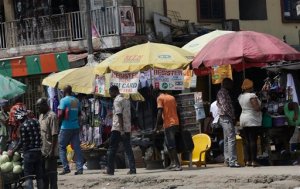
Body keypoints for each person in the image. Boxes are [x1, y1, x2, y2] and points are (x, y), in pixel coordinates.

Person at [104, 86, 136, 175]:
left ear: (114, 91)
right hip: (127, 128)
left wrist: (121, 130)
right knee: (128, 148)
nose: (110, 94)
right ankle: (133, 169)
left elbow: (119, 115)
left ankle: (110, 170)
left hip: (118, 128)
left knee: (112, 149)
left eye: (110, 92)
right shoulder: (126, 100)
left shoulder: (117, 100)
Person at [9, 107, 43, 189]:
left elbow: (22, 142)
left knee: (28, 176)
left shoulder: (23, 126)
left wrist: (12, 151)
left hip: (29, 153)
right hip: (38, 151)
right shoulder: (36, 121)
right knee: (39, 175)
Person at [58, 85, 83, 175]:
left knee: (61, 147)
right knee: (77, 148)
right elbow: (79, 114)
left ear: (64, 91)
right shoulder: (76, 101)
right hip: (75, 126)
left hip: (65, 127)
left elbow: (60, 114)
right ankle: (80, 168)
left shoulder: (63, 100)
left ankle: (66, 168)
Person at [154, 90, 182, 171]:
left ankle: (177, 165)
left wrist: (156, 127)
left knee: (171, 145)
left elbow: (159, 112)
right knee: (168, 144)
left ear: (155, 93)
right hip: (175, 123)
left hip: (169, 124)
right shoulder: (171, 97)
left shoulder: (160, 98)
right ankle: (173, 163)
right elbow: (178, 110)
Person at [217, 78, 240, 168]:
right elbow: (226, 107)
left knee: (227, 139)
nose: (232, 86)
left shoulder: (224, 92)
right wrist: (233, 117)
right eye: (230, 84)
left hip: (225, 117)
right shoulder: (222, 93)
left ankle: (227, 160)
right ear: (226, 84)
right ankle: (232, 161)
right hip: (226, 118)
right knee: (231, 139)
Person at [238, 79, 262, 167]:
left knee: (247, 140)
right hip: (251, 119)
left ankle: (248, 160)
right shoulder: (252, 95)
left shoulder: (240, 96)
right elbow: (256, 108)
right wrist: (262, 107)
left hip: (243, 118)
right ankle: (254, 161)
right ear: (250, 87)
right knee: (253, 140)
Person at [36, 98, 59, 189]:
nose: (38, 109)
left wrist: (52, 151)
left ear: (45, 105)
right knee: (44, 175)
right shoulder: (41, 116)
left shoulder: (52, 116)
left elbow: (54, 135)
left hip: (50, 150)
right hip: (42, 150)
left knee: (52, 174)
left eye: (39, 107)